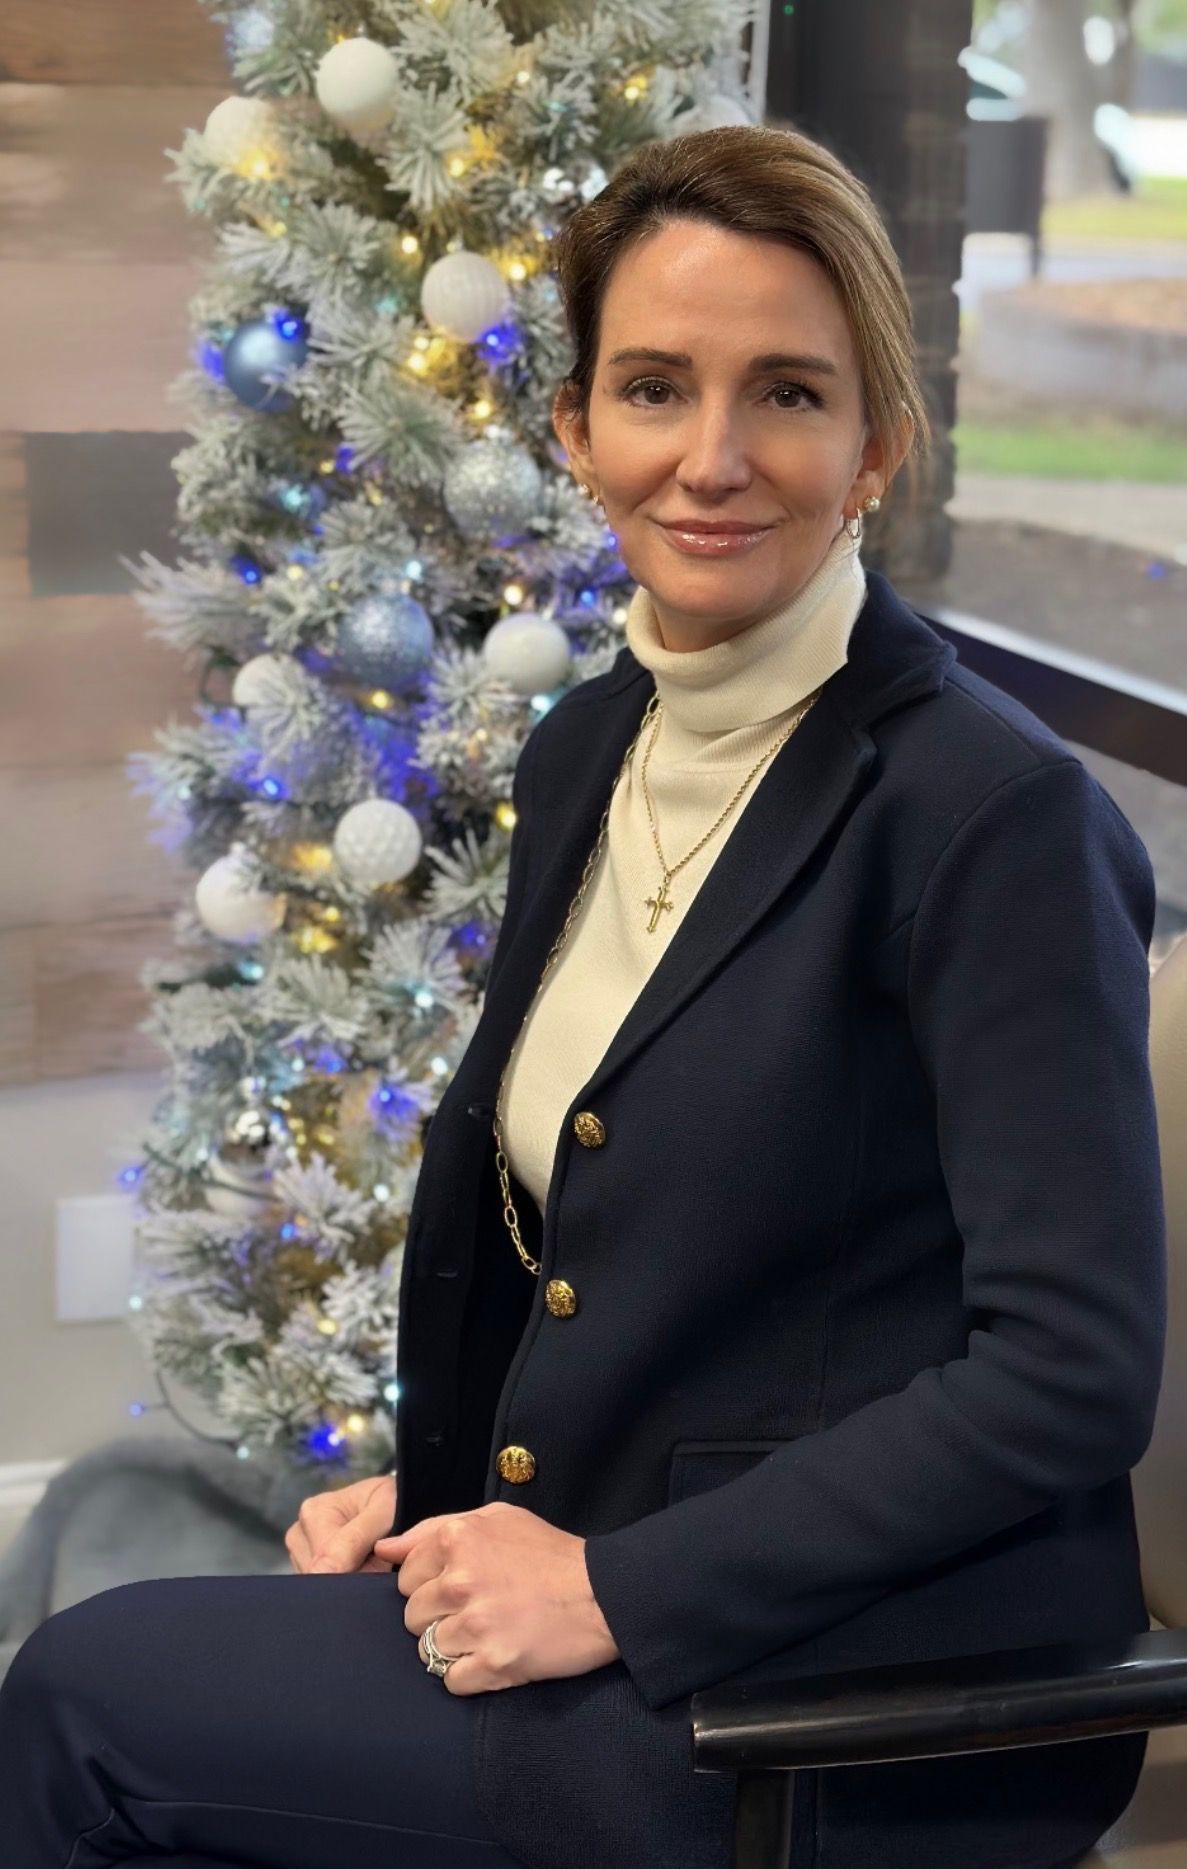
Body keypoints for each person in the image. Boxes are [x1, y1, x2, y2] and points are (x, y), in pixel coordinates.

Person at [0, 120, 1165, 1869]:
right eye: (651, 387)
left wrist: (617, 1582)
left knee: (85, 1698)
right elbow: (642, 1242)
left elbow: (1069, 1374)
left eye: (786, 392)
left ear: (876, 449)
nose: (711, 457)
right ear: (574, 430)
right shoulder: (591, 745)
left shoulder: (993, 819)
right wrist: (460, 1499)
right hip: (623, 1587)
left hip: (842, 1698)